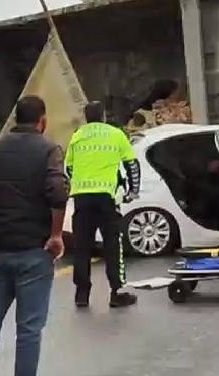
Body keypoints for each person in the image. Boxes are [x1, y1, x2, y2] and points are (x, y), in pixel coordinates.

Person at [0, 95, 68, 376]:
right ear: (42, 121)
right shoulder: (48, 149)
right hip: (33, 252)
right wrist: (56, 235)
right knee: (29, 329)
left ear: (17, 118)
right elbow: (57, 192)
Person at [66, 101, 141, 309]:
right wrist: (132, 191)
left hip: (82, 197)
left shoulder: (78, 135)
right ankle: (117, 292)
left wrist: (82, 183)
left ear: (86, 117)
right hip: (106, 198)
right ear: (104, 116)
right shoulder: (115, 134)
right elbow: (132, 164)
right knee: (112, 245)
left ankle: (82, 294)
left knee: (82, 246)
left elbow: (69, 167)